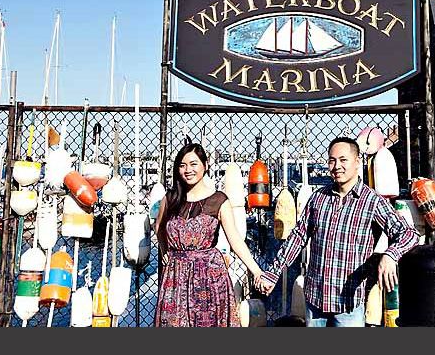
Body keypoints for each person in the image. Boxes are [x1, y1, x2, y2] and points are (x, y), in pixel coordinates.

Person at [255, 137, 419, 327]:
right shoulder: (318, 198)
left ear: (357, 162)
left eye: (343, 160)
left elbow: (408, 233)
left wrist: (391, 255)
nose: (336, 166)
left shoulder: (372, 201)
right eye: (332, 160)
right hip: (315, 301)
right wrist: (273, 273)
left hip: (347, 304)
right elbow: (297, 238)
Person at [154, 142, 263, 327]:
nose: (188, 170)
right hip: (175, 276)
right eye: (182, 165)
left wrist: (257, 272)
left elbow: (235, 240)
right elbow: (159, 227)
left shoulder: (219, 200)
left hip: (209, 277)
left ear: (205, 165)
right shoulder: (170, 198)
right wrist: (166, 252)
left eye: (193, 164)